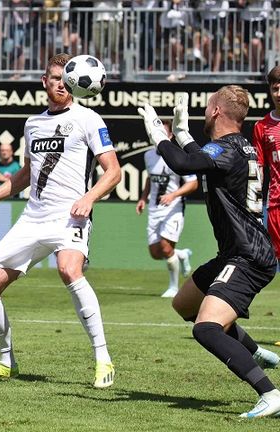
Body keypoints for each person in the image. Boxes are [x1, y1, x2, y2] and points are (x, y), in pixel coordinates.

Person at [0, 53, 121, 387]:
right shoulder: (32, 124)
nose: (61, 83)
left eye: (66, 78)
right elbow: (26, 176)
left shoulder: (89, 119)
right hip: (33, 218)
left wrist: (89, 198)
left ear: (76, 82)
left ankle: (103, 359)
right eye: (55, 78)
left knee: (69, 270)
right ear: (44, 82)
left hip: (70, 217)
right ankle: (6, 363)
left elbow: (114, 172)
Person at [138, 88, 280, 418]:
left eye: (207, 106)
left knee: (205, 328)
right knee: (184, 303)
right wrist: (184, 133)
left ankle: (270, 393)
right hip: (236, 251)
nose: (204, 110)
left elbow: (183, 162)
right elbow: (200, 157)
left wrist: (159, 134)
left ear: (216, 111)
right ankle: (253, 351)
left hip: (247, 256)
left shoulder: (226, 148)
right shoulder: (240, 145)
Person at [135, 119, 197, 298]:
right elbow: (150, 178)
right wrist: (143, 198)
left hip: (173, 208)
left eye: (162, 132)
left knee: (165, 247)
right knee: (155, 253)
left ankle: (173, 287)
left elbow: (193, 184)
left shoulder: (178, 156)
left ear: (170, 135)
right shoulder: (148, 155)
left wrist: (173, 195)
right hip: (154, 208)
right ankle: (183, 255)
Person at [253, 66, 280, 263]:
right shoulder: (261, 127)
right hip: (276, 206)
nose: (279, 94)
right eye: (275, 89)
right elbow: (259, 169)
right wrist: (253, 205)